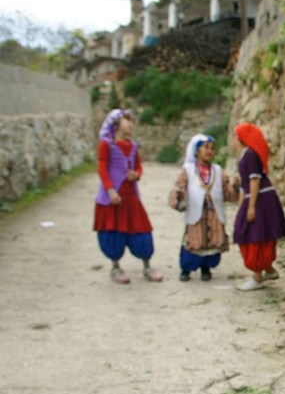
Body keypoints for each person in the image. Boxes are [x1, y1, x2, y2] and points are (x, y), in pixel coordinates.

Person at [93, 108, 163, 284]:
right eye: (128, 120)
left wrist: (137, 174)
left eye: (133, 121)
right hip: (112, 199)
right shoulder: (106, 145)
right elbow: (102, 168)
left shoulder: (132, 146)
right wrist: (110, 190)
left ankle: (147, 266)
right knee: (113, 232)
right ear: (116, 123)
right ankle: (115, 267)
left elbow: (138, 165)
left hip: (131, 198)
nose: (131, 124)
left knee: (142, 231)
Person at [169, 133, 238, 281]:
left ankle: (206, 268)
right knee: (194, 240)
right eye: (206, 148)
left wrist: (236, 187)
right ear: (197, 150)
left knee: (212, 240)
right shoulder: (188, 169)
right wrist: (179, 195)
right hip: (196, 211)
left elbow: (227, 193)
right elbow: (180, 185)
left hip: (213, 212)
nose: (209, 151)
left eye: (212, 148)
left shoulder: (218, 171)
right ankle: (186, 269)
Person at [231, 123, 285, 291]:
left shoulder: (250, 154)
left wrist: (251, 207)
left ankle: (257, 277)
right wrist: (242, 205)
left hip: (261, 199)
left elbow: (255, 180)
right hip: (256, 197)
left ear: (241, 139)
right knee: (251, 231)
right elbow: (245, 184)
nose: (234, 140)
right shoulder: (244, 155)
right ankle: (269, 270)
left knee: (256, 235)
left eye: (236, 137)